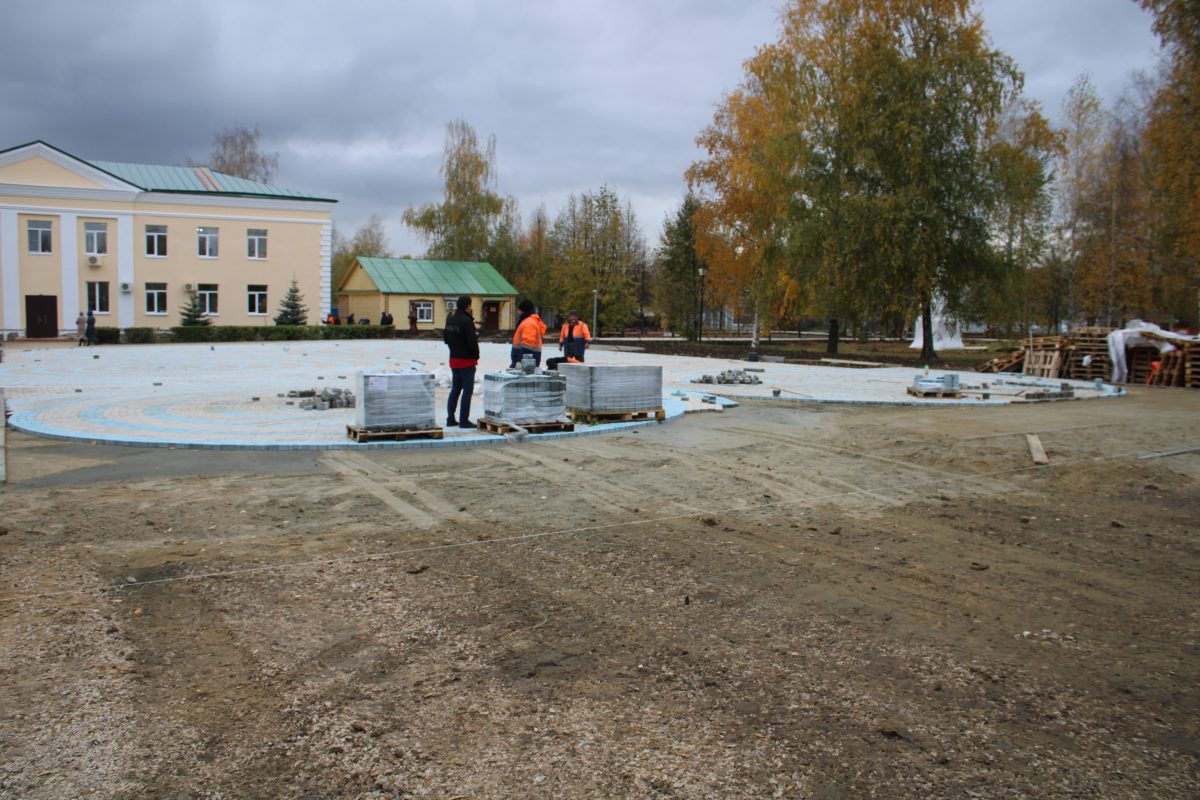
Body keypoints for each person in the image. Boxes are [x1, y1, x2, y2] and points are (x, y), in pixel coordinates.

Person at [442, 295, 479, 428]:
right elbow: (472, 342)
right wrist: (476, 356)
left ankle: (450, 418)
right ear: (468, 306)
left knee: (455, 389)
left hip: (453, 359)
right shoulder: (467, 321)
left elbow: (445, 339)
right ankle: (464, 420)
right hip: (466, 361)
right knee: (467, 391)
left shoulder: (450, 319)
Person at [509, 299, 546, 368]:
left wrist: (520, 361)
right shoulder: (527, 321)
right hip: (526, 362)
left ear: (524, 310)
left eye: (519, 310)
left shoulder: (529, 323)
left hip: (526, 363)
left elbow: (527, 345)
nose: (517, 312)